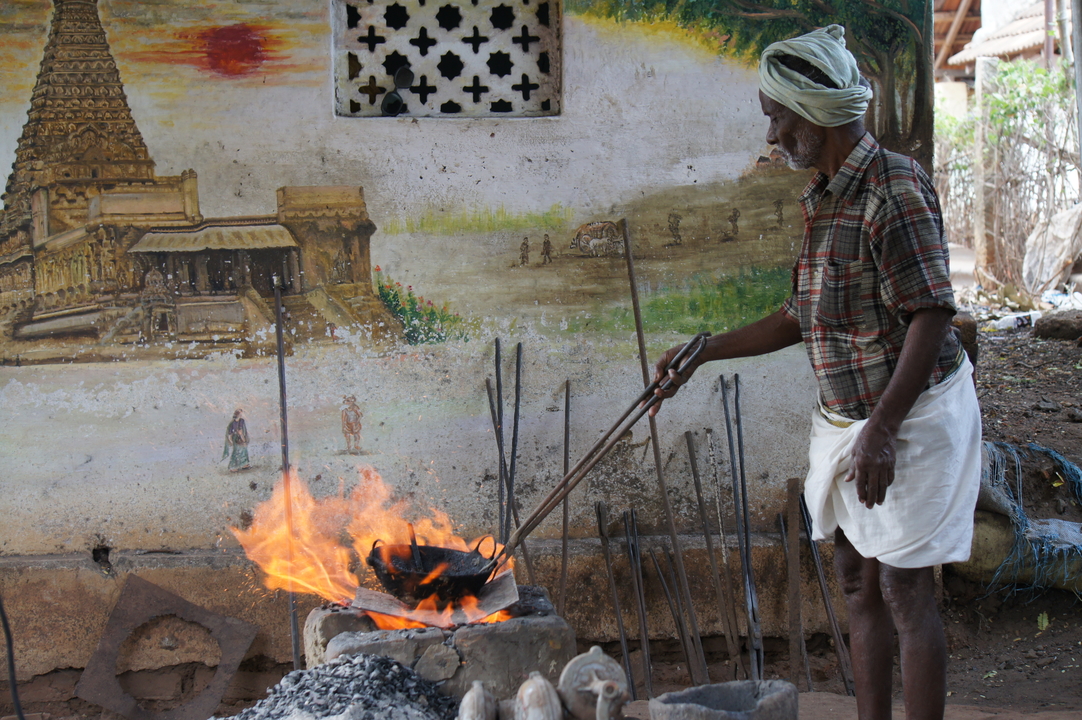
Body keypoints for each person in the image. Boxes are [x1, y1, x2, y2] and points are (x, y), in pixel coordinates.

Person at [650, 25, 980, 720]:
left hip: (910, 418)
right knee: (858, 581)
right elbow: (801, 314)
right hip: (853, 420)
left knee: (905, 591)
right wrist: (704, 350)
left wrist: (883, 429)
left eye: (777, 117)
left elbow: (930, 316)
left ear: (815, 111)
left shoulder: (892, 188)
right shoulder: (826, 194)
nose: (772, 135)